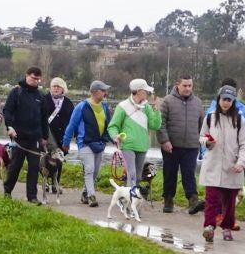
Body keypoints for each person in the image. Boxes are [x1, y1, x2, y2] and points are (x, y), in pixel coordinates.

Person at [198, 85, 245, 242]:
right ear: (219, 99)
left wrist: (241, 162)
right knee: (212, 199)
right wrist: (207, 142)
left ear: (233, 101)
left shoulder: (239, 119)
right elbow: (202, 136)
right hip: (213, 166)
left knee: (229, 202)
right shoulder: (210, 117)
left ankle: (227, 227)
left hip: (232, 166)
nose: (226, 103)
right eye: (224, 99)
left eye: (229, 100)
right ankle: (209, 227)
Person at [1, 65, 53, 203]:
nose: (36, 81)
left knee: (34, 168)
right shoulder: (16, 92)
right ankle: (7, 190)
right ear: (27, 75)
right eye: (33, 78)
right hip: (19, 137)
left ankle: (32, 196)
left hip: (35, 138)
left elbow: (44, 118)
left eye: (38, 79)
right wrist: (9, 126)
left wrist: (44, 137)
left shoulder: (40, 96)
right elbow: (7, 111)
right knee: (15, 166)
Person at [63, 79, 115, 207]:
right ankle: (92, 196)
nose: (105, 93)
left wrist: (113, 139)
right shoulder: (81, 106)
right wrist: (66, 142)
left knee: (95, 171)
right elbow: (72, 125)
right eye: (103, 91)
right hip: (84, 143)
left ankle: (85, 193)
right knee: (90, 169)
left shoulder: (104, 106)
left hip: (100, 143)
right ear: (95, 92)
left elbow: (109, 125)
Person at [108, 78, 163, 196]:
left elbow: (155, 125)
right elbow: (113, 126)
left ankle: (129, 199)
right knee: (131, 174)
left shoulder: (147, 107)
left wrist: (157, 110)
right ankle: (131, 203)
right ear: (138, 91)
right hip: (127, 145)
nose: (148, 93)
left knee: (137, 176)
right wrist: (115, 136)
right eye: (146, 91)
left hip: (142, 146)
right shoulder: (122, 106)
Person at [158, 74, 203, 214]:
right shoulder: (167, 101)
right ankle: (168, 200)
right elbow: (161, 123)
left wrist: (201, 140)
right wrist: (164, 140)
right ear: (177, 85)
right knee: (170, 174)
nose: (187, 88)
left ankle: (193, 200)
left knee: (189, 174)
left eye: (190, 86)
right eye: (185, 85)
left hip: (191, 146)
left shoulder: (198, 103)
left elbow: (202, 124)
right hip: (171, 146)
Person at [44, 77, 74, 188]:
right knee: (47, 159)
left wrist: (71, 134)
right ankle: (45, 180)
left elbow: (72, 120)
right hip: (48, 134)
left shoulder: (68, 102)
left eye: (58, 86)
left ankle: (55, 182)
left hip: (62, 135)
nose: (56, 88)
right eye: (54, 86)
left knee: (59, 160)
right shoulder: (44, 99)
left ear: (63, 88)